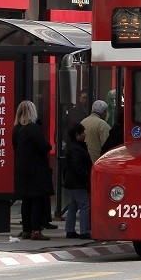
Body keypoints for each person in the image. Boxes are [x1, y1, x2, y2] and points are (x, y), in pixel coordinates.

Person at [12, 100, 53, 241]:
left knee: (26, 201)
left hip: (22, 171)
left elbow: (15, 148)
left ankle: (26, 230)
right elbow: (44, 147)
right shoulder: (33, 128)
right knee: (38, 200)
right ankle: (36, 230)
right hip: (36, 170)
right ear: (32, 112)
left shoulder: (16, 129)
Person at [62, 123, 92, 240]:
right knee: (85, 205)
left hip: (73, 181)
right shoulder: (77, 149)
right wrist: (86, 177)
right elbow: (77, 167)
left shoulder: (74, 147)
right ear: (77, 135)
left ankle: (70, 230)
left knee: (73, 206)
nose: (85, 135)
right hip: (78, 182)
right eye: (82, 133)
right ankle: (84, 231)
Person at [82, 99, 111, 164]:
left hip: (83, 161)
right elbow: (107, 147)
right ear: (104, 113)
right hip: (97, 161)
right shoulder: (103, 125)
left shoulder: (83, 122)